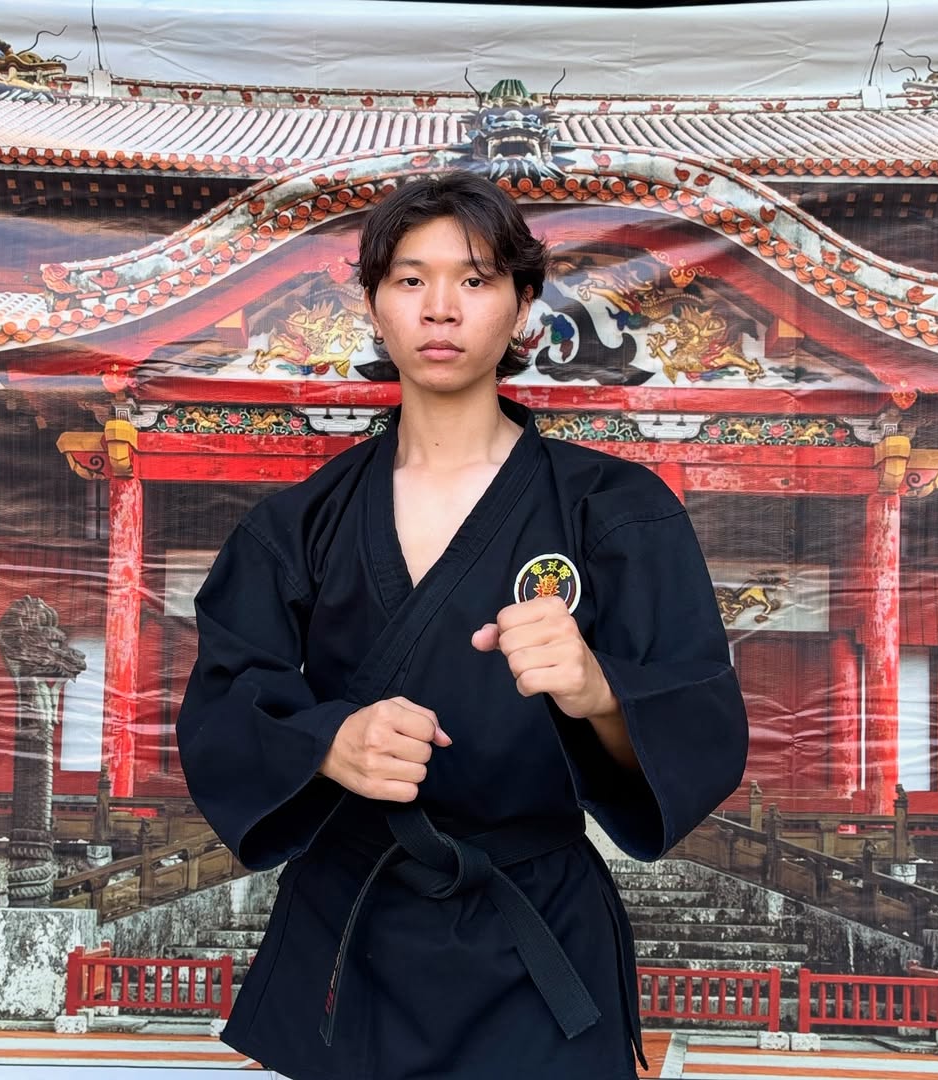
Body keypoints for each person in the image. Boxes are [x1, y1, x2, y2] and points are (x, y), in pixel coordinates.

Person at [177, 169, 748, 1080]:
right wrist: (328, 743)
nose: (440, 308)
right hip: (351, 927)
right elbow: (222, 710)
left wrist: (600, 690)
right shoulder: (296, 526)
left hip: (539, 932)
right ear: (374, 304)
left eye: (476, 280)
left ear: (522, 305)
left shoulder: (614, 510)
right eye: (410, 279)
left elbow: (699, 724)